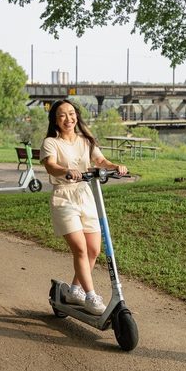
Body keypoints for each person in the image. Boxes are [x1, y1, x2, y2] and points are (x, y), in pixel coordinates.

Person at [40, 99, 128, 315]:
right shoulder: (51, 142)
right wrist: (66, 171)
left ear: (76, 116)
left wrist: (115, 166)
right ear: (55, 120)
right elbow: (50, 165)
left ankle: (75, 290)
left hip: (85, 196)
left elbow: (101, 161)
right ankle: (90, 296)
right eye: (62, 115)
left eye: (71, 114)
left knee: (93, 250)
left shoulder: (85, 141)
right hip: (64, 197)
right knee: (80, 248)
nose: (68, 119)